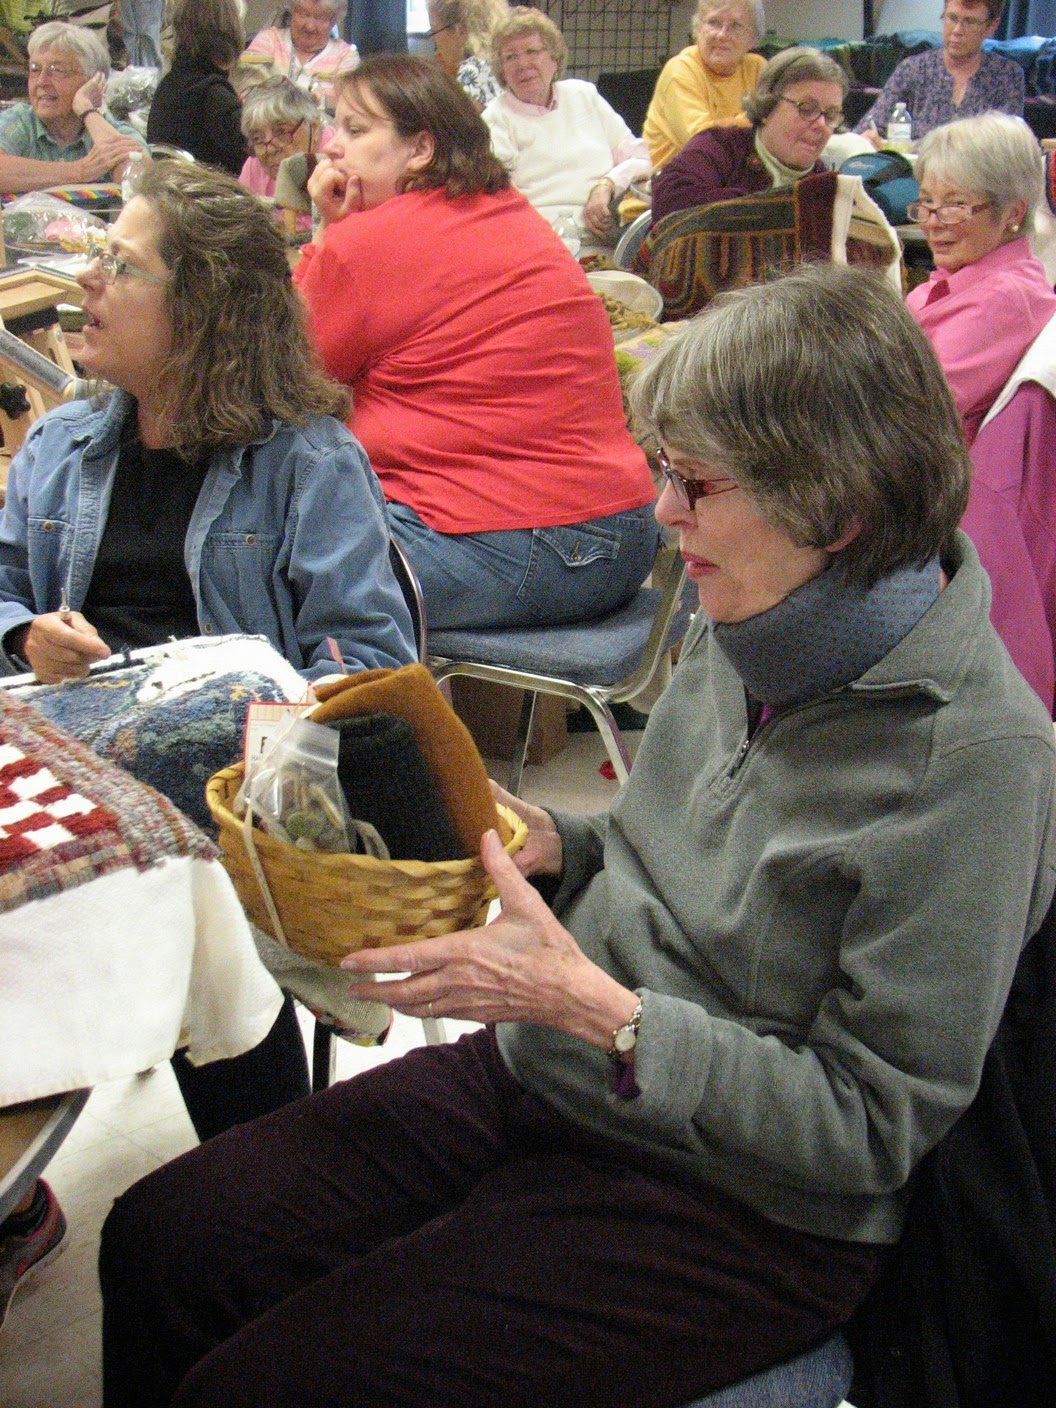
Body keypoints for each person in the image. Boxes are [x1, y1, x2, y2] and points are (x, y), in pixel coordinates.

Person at [97, 262, 1056, 1408]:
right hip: (565, 1071)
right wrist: (563, 842)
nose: (663, 514)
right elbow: (671, 855)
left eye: (696, 483)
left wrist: (605, 1013)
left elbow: (868, 1126)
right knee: (162, 1238)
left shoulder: (976, 758)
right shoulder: (768, 611)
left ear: (838, 511)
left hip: (742, 1205)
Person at [0, 161, 415, 1143]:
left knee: (196, 784)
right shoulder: (61, 446)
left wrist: (226, 710)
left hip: (233, 796)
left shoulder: (308, 460)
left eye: (120, 265)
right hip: (80, 770)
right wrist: (23, 634)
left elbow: (369, 668)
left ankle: (265, 1165)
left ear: (202, 313)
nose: (88, 280)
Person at [294, 54, 659, 632]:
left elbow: (287, 375)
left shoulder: (369, 240)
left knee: (257, 559)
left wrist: (328, 228)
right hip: (626, 537)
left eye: (356, 130)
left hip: (511, 543)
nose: (333, 148)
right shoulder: (508, 211)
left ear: (421, 148)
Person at [906, 112, 1056, 445]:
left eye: (955, 205)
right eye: (927, 201)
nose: (932, 222)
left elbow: (909, 414)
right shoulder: (966, 277)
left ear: (1013, 213)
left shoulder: (1004, 299)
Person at [482, 6, 651, 241]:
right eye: (511, 56)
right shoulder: (496, 119)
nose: (523, 64)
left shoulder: (585, 96)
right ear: (502, 71)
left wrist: (606, 186)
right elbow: (501, 200)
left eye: (532, 51)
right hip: (540, 240)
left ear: (554, 58)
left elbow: (643, 158)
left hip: (607, 235)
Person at [651, 45, 846, 225]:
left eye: (830, 115)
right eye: (806, 109)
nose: (821, 125)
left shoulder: (824, 184)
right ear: (767, 106)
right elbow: (669, 203)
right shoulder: (718, 146)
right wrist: (773, 208)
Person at [0, 22, 144, 193]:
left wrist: (87, 110)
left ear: (94, 81)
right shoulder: (20, 121)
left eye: (57, 70)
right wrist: (80, 171)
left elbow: (141, 181)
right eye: (35, 69)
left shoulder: (112, 130)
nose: (41, 81)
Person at [855, 1, 1023, 148]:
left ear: (992, 26)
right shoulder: (913, 69)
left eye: (970, 21)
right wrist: (867, 138)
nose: (957, 30)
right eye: (952, 18)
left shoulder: (1006, 75)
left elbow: (1006, 146)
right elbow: (867, 128)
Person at [643, 0, 766, 172]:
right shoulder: (681, 69)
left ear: (753, 38)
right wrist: (755, 122)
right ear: (697, 29)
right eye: (713, 22)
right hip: (670, 181)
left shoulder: (758, 68)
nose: (722, 35)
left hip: (731, 178)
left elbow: (779, 128)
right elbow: (703, 142)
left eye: (735, 25)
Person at [147, 0, 247, 174]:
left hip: (169, 186)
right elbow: (251, 161)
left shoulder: (167, 86)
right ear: (230, 34)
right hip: (209, 189)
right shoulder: (215, 97)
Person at [238, 74, 330, 226]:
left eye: (281, 132)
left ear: (313, 128)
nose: (269, 149)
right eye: (257, 138)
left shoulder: (337, 162)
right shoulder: (254, 168)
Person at [243, 0, 359, 110]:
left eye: (320, 18)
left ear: (333, 21)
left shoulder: (346, 55)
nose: (309, 26)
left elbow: (348, 105)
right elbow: (246, 92)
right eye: (303, 14)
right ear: (292, 11)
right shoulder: (268, 40)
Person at [427, 0, 507, 110]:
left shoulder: (474, 72)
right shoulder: (497, 60)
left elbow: (456, 120)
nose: (433, 38)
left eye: (434, 30)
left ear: (460, 29)